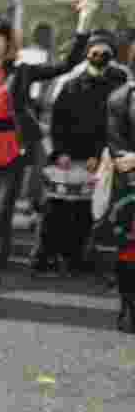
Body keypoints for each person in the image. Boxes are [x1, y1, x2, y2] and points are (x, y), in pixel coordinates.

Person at [0, 0, 97, 319]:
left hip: (7, 153)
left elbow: (67, 64)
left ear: (8, 43)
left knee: (0, 220)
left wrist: (84, 21)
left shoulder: (22, 72)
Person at [34, 30, 128, 275]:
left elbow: (115, 125)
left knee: (88, 212)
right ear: (87, 54)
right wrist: (60, 153)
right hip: (68, 157)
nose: (99, 55)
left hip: (101, 157)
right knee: (57, 207)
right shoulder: (71, 84)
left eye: (105, 51)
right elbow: (58, 122)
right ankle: (48, 255)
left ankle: (76, 257)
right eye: (95, 51)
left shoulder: (120, 84)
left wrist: (99, 154)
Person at [105, 76, 135, 333]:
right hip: (130, 183)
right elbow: (119, 150)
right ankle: (129, 306)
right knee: (128, 246)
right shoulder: (120, 98)